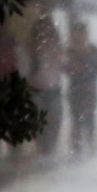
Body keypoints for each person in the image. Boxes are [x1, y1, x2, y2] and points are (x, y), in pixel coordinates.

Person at [65, 21, 97, 156]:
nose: (79, 36)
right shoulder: (70, 51)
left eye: (82, 32)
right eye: (77, 33)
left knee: (90, 119)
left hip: (89, 90)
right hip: (75, 90)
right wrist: (73, 67)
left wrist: (86, 68)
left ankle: (91, 146)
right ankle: (76, 149)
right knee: (76, 120)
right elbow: (65, 69)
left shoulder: (93, 50)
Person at [30, 17, 64, 157]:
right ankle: (43, 150)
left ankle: (50, 150)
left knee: (54, 120)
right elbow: (27, 69)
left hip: (54, 89)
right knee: (40, 123)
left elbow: (64, 63)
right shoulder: (32, 50)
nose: (46, 34)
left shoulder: (56, 48)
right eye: (43, 30)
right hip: (38, 89)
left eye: (48, 30)